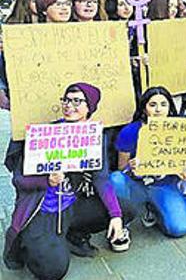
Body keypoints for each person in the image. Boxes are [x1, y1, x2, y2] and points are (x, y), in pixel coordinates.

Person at [3, 83, 133, 280]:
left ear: (90, 107)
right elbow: (20, 180)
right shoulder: (44, 135)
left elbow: (102, 180)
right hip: (42, 210)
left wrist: (115, 216)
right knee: (52, 270)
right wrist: (48, 181)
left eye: (77, 101)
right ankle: (32, 243)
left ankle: (72, 234)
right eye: (66, 100)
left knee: (126, 209)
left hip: (73, 205)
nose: (69, 105)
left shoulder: (94, 137)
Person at [110, 87, 186, 238]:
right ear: (144, 108)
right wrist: (130, 167)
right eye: (153, 105)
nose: (158, 109)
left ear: (170, 107)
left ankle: (158, 209)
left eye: (163, 104)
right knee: (116, 178)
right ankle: (126, 218)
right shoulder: (130, 131)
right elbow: (122, 168)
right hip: (140, 183)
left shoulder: (181, 129)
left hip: (166, 184)